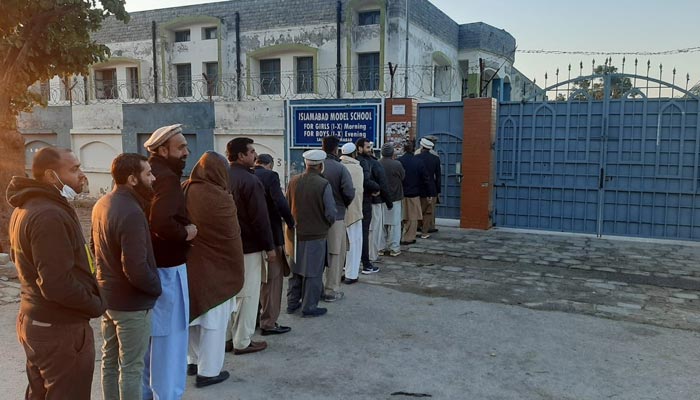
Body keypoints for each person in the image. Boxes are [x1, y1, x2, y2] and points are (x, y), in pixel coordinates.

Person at [8, 147, 105, 400]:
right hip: (59, 328)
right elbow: (56, 283)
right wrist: (95, 304)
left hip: (38, 321)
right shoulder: (47, 214)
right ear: (52, 176)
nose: (82, 175)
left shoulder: (32, 207)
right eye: (74, 169)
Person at [92, 153, 162, 400]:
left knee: (109, 362)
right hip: (131, 304)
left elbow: (95, 249)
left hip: (108, 299)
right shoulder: (131, 211)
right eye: (148, 174)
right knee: (131, 367)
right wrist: (156, 288)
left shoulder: (102, 203)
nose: (153, 179)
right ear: (133, 179)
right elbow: (135, 267)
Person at [143, 124, 198, 400]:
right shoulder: (165, 178)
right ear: (163, 150)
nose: (187, 152)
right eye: (181, 147)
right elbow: (161, 222)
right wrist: (185, 232)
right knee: (170, 341)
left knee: (155, 341)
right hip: (167, 268)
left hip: (157, 265)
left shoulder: (154, 172)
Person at [184, 151, 245, 388]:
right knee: (214, 321)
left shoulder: (184, 188)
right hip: (217, 269)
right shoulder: (220, 197)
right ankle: (208, 372)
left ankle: (192, 361)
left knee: (193, 316)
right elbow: (231, 236)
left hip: (190, 265)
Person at [226, 137, 276, 355]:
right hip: (249, 246)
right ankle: (243, 340)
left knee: (229, 295)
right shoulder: (250, 180)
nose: (255, 155)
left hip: (227, 246)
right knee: (248, 295)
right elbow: (259, 218)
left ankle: (227, 337)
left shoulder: (223, 176)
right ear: (241, 156)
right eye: (252, 152)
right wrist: (270, 247)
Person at [286, 149, 337, 317]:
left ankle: (292, 303)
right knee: (313, 272)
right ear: (321, 166)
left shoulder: (293, 181)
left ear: (306, 164)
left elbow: (286, 207)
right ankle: (309, 306)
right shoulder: (323, 184)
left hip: (295, 235)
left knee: (296, 270)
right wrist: (326, 224)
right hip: (316, 235)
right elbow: (330, 212)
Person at [253, 154, 294, 336]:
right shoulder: (270, 176)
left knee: (253, 282)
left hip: (247, 239)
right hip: (270, 236)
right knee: (272, 281)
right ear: (269, 164)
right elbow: (280, 202)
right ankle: (269, 322)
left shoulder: (242, 175)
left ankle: (251, 319)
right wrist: (291, 222)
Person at [320, 136, 355, 302]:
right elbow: (349, 192)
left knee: (317, 253)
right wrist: (342, 204)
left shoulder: (315, 166)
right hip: (337, 216)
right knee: (335, 253)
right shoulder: (340, 169)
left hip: (316, 217)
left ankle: (316, 289)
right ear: (336, 149)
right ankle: (331, 290)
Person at [355, 138, 391, 274]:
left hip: (354, 204)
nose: (370, 149)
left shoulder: (352, 162)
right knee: (372, 231)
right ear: (359, 148)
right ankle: (370, 258)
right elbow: (382, 182)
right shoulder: (372, 163)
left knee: (358, 233)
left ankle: (358, 260)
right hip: (371, 202)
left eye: (370, 147)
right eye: (367, 147)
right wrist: (388, 202)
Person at [339, 143, 364, 284]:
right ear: (354, 153)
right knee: (354, 244)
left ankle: (341, 271)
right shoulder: (357, 168)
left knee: (341, 245)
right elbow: (358, 192)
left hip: (339, 211)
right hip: (354, 211)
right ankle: (351, 274)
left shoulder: (338, 166)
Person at [398, 141, 429, 245]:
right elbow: (425, 178)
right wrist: (427, 192)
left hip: (401, 193)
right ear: (413, 149)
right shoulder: (418, 162)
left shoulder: (399, 161)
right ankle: (409, 237)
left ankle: (399, 236)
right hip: (414, 193)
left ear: (403, 149)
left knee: (401, 216)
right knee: (413, 217)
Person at [378, 143, 405, 256]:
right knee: (395, 225)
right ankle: (394, 248)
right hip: (395, 196)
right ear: (392, 153)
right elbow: (403, 177)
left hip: (380, 198)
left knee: (381, 225)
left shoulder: (377, 163)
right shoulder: (397, 164)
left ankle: (381, 248)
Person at [416, 137, 441, 238]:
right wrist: (438, 190)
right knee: (428, 212)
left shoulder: (416, 158)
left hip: (418, 188)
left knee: (418, 210)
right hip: (431, 189)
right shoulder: (435, 159)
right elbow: (438, 176)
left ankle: (418, 228)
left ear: (422, 146)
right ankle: (425, 232)